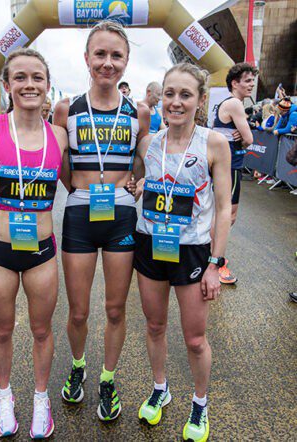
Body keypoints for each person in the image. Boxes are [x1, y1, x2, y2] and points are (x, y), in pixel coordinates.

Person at [0, 47, 68, 439]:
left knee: (42, 331)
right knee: (3, 330)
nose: (29, 85)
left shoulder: (58, 134)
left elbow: (78, 184)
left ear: (47, 84)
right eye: (20, 77)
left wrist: (131, 184)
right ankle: (4, 398)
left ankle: (41, 400)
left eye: (37, 78)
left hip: (42, 253)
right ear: (7, 85)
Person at [52, 20, 149, 421]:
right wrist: (78, 189)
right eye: (100, 54)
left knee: (114, 309)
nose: (107, 63)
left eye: (116, 55)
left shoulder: (138, 111)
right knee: (77, 311)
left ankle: (107, 378)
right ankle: (78, 367)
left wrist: (138, 182)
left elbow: (145, 160)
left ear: (126, 62)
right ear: (87, 58)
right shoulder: (66, 109)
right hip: (79, 211)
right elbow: (60, 164)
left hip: (121, 216)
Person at [130, 62, 231, 442]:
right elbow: (143, 180)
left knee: (194, 338)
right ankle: (160, 388)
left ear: (200, 100)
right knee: (154, 326)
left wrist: (215, 264)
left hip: (192, 251)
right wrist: (136, 186)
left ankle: (200, 403)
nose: (175, 102)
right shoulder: (149, 142)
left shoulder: (214, 143)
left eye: (185, 95)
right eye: (169, 93)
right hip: (151, 245)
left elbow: (223, 209)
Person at [210, 62, 257, 285]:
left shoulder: (224, 103)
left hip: (225, 165)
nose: (252, 84)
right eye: (247, 81)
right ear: (235, 83)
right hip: (230, 166)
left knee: (221, 213)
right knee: (227, 215)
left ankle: (209, 256)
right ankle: (215, 262)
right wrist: (243, 134)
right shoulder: (235, 104)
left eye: (252, 80)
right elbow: (249, 139)